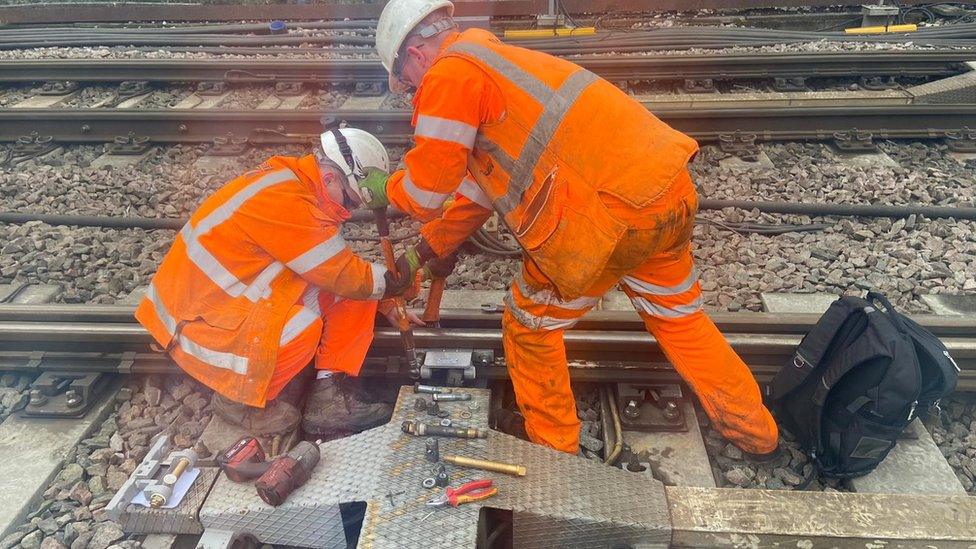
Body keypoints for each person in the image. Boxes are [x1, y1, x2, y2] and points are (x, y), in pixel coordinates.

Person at [361, 0, 780, 458]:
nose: (410, 93)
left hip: (603, 219)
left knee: (528, 328)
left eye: (406, 84)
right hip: (666, 192)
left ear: (414, 56)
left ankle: (555, 454)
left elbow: (426, 191)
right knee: (681, 321)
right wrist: (422, 254)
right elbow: (474, 196)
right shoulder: (494, 61)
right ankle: (758, 434)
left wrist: (388, 188)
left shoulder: (448, 75)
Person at [136, 127, 424, 441]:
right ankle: (239, 401)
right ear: (329, 179)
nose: (349, 210)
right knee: (303, 327)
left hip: (228, 301)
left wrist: (382, 300)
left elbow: (339, 275)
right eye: (350, 200)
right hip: (196, 321)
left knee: (359, 296)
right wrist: (394, 283)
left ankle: (327, 397)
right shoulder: (286, 201)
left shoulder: (297, 185)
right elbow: (343, 274)